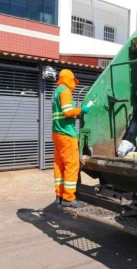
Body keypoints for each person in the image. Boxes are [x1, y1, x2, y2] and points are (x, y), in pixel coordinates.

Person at [52, 69, 92, 208]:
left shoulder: (56, 91)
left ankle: (59, 195)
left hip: (57, 133)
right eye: (73, 81)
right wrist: (82, 110)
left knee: (59, 165)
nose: (74, 85)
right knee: (72, 165)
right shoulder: (65, 91)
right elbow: (67, 111)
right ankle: (69, 198)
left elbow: (62, 113)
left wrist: (75, 114)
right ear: (69, 79)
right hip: (66, 133)